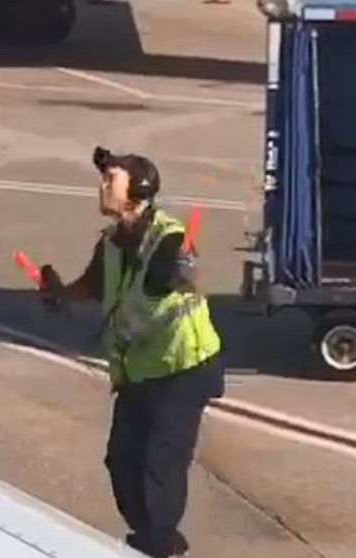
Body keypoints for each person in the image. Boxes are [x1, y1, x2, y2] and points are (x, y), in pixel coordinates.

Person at [38, 146, 224, 558]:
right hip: (139, 371)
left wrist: (181, 271)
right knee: (121, 462)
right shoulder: (112, 243)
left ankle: (157, 544)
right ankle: (159, 541)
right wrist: (59, 293)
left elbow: (177, 266)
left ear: (137, 190)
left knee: (160, 462)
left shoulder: (165, 237)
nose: (102, 186)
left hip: (182, 368)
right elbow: (91, 286)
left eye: (111, 180)